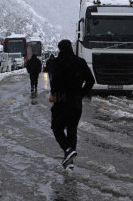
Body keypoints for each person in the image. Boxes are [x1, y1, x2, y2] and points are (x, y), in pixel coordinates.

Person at [49, 39, 95, 169]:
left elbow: (54, 82)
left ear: (60, 49)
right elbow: (91, 80)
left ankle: (67, 151)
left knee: (56, 127)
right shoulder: (80, 62)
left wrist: (54, 95)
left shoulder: (57, 63)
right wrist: (81, 93)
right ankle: (69, 161)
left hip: (61, 101)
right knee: (72, 130)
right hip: (75, 102)